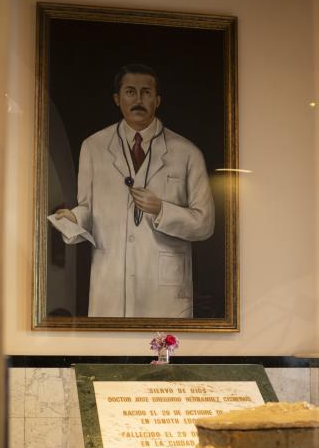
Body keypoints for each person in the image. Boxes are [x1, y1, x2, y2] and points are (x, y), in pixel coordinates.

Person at [51, 63, 215, 318]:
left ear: (157, 100)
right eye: (130, 91)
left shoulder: (187, 153)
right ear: (117, 99)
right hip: (111, 283)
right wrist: (74, 218)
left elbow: (204, 223)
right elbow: (88, 208)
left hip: (164, 290)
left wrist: (161, 209)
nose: (138, 99)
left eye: (146, 92)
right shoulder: (93, 147)